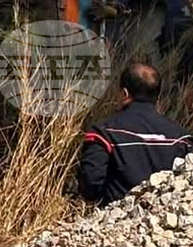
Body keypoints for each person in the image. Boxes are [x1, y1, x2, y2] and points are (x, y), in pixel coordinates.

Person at [79, 63, 192, 206]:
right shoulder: (182, 138)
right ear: (157, 97)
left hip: (119, 217)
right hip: (167, 217)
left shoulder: (104, 133)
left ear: (125, 94)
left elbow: (90, 186)